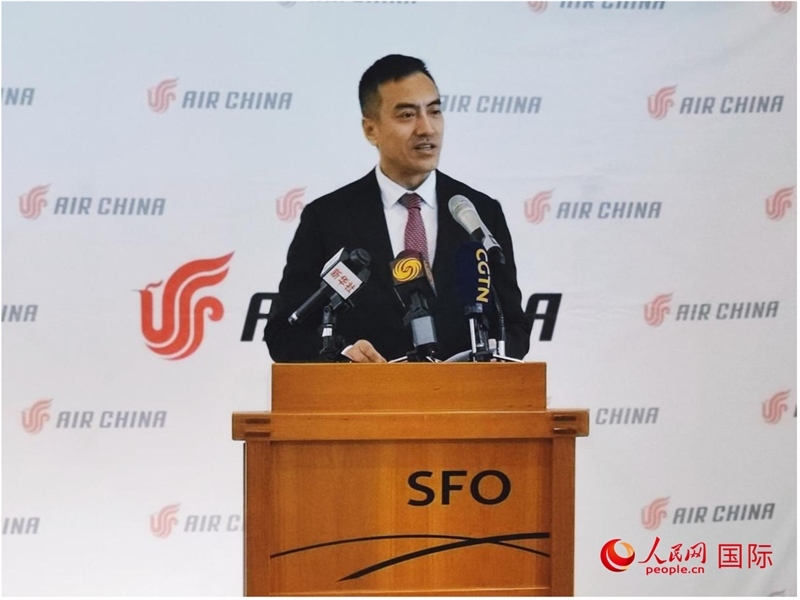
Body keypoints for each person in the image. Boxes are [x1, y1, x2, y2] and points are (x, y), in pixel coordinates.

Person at [264, 54, 531, 363]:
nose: (427, 128)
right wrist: (343, 359)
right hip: (365, 394)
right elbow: (285, 332)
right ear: (371, 129)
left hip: (462, 393)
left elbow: (512, 326)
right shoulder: (327, 218)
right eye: (407, 115)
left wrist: (485, 362)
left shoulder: (477, 213)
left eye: (435, 111)